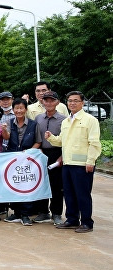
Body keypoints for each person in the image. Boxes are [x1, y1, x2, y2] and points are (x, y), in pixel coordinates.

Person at [46, 91, 101, 233]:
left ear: (82, 103)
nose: (72, 103)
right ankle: (72, 219)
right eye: (70, 100)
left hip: (82, 165)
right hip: (68, 163)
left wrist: (91, 161)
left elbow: (94, 143)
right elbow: (61, 141)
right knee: (69, 193)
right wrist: (51, 137)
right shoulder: (66, 121)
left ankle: (87, 222)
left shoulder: (90, 120)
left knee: (82, 194)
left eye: (76, 100)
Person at [3, 98, 40, 226]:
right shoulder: (9, 122)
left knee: (26, 186)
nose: (19, 111)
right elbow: (6, 138)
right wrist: (4, 130)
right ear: (13, 110)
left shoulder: (33, 124)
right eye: (16, 108)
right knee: (14, 185)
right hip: (13, 159)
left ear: (26, 109)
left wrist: (29, 153)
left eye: (21, 108)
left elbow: (38, 142)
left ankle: (26, 215)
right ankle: (17, 213)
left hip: (27, 161)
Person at [32, 91, 66, 225]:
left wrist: (63, 155)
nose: (49, 103)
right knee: (41, 183)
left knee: (57, 185)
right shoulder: (38, 118)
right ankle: (43, 212)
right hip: (41, 152)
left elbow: (66, 140)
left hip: (57, 152)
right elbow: (35, 136)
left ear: (57, 102)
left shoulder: (63, 119)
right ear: (43, 102)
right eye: (46, 100)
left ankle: (56, 213)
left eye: (52, 100)